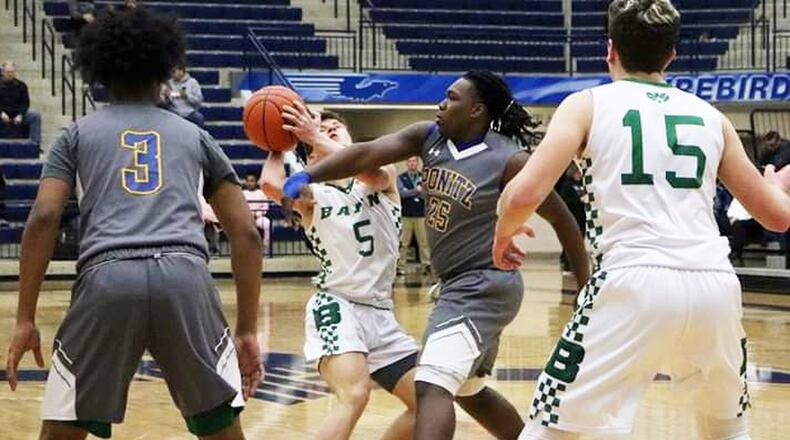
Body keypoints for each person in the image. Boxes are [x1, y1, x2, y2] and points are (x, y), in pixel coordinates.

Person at [493, 1, 790, 439]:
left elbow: (524, 194)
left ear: (610, 49)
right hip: (713, 285)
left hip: (631, 280)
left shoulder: (586, 105)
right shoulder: (711, 116)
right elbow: (777, 218)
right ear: (671, 55)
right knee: (727, 428)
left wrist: (503, 232)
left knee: (553, 425)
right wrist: (777, 186)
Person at [281, 70, 589, 440]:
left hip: (483, 285)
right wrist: (306, 176)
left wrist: (584, 289)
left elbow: (564, 219)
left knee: (430, 385)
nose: (441, 104)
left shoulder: (509, 159)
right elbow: (366, 153)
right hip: (456, 285)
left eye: (452, 97)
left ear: (476, 110)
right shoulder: (429, 137)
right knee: (470, 393)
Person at [4, 9, 264, 440]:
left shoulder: (75, 134)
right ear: (164, 69)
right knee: (221, 431)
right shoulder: (196, 135)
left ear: (99, 72)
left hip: (107, 277)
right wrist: (248, 330)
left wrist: (25, 318)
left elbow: (44, 218)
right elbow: (247, 234)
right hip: (184, 277)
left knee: (62, 431)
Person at [261, 108, 419, 440]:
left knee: (427, 405)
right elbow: (270, 184)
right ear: (312, 159)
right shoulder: (313, 196)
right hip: (337, 305)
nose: (329, 129)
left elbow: (365, 166)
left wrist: (314, 136)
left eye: (336, 127)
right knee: (355, 394)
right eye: (323, 130)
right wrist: (277, 144)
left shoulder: (382, 177)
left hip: (381, 313)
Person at [397, 156, 430, 275]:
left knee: (424, 241)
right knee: (404, 242)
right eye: (410, 161)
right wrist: (416, 191)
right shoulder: (401, 178)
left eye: (414, 161)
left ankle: (426, 265)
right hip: (406, 214)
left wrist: (412, 192)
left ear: (418, 163)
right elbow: (401, 194)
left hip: (421, 214)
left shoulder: (424, 177)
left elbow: (427, 193)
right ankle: (400, 265)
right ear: (407, 163)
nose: (412, 163)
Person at [0, 61, 42, 146]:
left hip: (16, 113)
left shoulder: (21, 85)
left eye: (12, 72)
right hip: (2, 113)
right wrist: (1, 113)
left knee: (35, 116)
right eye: (8, 72)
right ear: (2, 72)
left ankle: (35, 144)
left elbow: (25, 103)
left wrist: (20, 114)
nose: (10, 74)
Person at [161, 62, 204, 127]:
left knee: (199, 118)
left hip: (189, 112)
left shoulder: (193, 82)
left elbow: (198, 101)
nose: (172, 74)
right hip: (174, 111)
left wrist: (187, 97)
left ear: (181, 71)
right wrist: (166, 97)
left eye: (174, 72)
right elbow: (164, 101)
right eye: (171, 72)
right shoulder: (169, 83)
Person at [242, 172, 271, 254]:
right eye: (248, 181)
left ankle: (265, 246)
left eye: (252, 181)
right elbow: (240, 207)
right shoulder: (242, 193)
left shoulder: (261, 193)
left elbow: (265, 207)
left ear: (256, 182)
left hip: (258, 217)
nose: (250, 183)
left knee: (267, 223)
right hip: (246, 218)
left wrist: (256, 214)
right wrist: (248, 215)